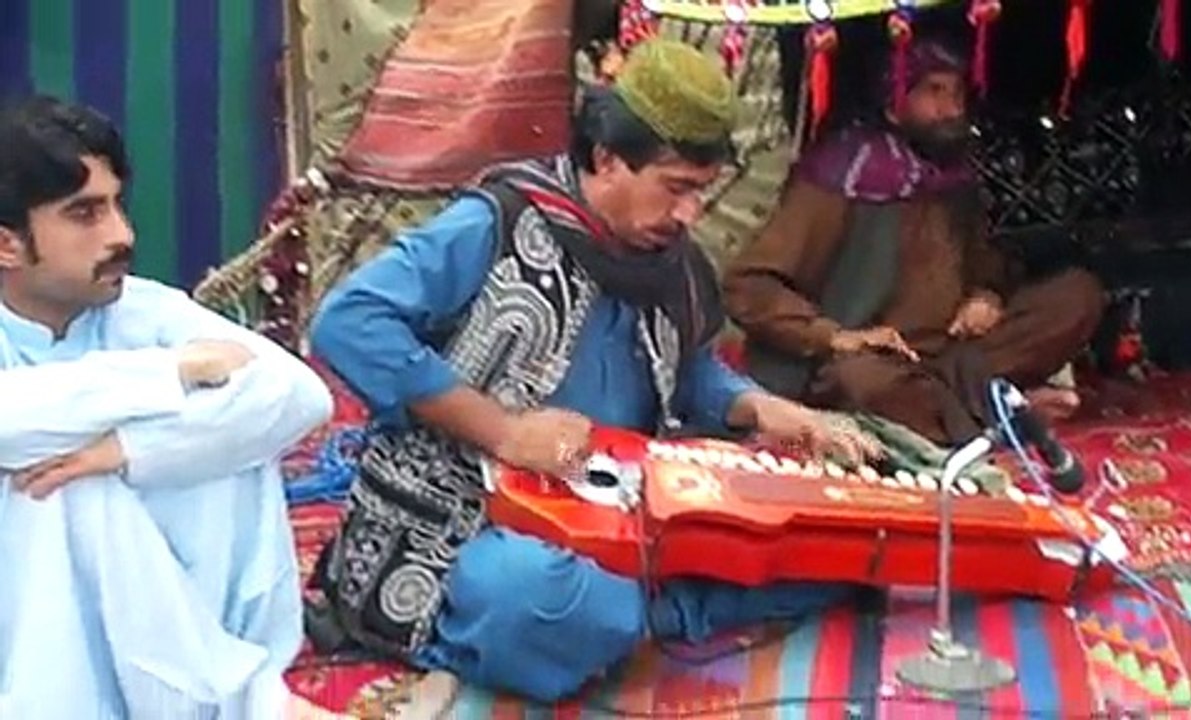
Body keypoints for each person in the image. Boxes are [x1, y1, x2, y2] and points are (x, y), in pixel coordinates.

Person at [308, 39, 881, 702]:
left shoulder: (668, 262)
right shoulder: (496, 223)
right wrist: (503, 432)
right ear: (606, 158)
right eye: (676, 188)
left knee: (828, 549)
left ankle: (635, 608)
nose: (690, 213)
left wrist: (762, 407)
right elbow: (348, 322)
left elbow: (686, 371)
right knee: (542, 597)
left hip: (613, 506)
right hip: (466, 519)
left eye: (701, 191)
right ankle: (647, 610)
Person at [0, 96, 334, 719]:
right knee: (54, 484)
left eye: (116, 205)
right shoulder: (154, 353)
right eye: (84, 214)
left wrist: (127, 450)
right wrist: (167, 374)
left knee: (222, 442)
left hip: (167, 649)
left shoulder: (137, 308)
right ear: (7, 246)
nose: (121, 235)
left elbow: (297, 395)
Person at [723, 38, 1106, 446]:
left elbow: (990, 262)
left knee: (1076, 296)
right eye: (934, 92)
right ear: (895, 103)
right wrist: (832, 336)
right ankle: (997, 415)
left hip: (956, 358)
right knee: (860, 381)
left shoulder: (952, 177)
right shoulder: (841, 175)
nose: (952, 109)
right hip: (874, 361)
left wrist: (986, 296)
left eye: (957, 94)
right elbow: (749, 285)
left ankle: (965, 412)